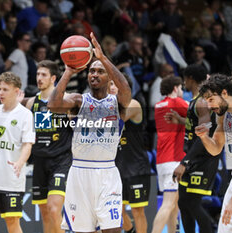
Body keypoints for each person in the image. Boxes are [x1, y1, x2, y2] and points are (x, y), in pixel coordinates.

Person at [48, 32, 132, 233]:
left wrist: (103, 58)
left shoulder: (117, 103)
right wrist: (68, 72)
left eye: (100, 71)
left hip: (107, 173)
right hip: (80, 172)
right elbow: (53, 104)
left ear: (108, 76)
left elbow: (126, 90)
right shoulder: (78, 101)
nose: (94, 74)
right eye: (91, 70)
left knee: (112, 230)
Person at [0, 72, 35, 233]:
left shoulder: (25, 115)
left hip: (11, 180)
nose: (0, 93)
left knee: (12, 222)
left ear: (17, 91)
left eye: (5, 89)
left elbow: (27, 145)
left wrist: (20, 162)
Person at [25, 60, 72, 233]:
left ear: (53, 78)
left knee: (53, 209)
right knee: (45, 213)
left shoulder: (65, 101)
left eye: (43, 74)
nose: (39, 78)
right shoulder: (32, 103)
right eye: (37, 74)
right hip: (40, 161)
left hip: (61, 160)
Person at [173, 65, 220, 233]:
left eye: (185, 79)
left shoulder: (202, 102)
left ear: (190, 79)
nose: (184, 82)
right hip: (193, 157)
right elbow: (195, 127)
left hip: (203, 159)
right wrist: (180, 120)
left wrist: (184, 163)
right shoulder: (195, 101)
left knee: (192, 203)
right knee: (183, 203)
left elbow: (203, 136)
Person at [195, 74, 232, 233]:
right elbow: (216, 149)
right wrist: (204, 137)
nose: (209, 106)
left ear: (225, 93)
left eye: (210, 100)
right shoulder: (223, 115)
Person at [110, 79, 151, 233]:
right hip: (117, 167)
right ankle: (131, 231)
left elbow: (113, 121)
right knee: (116, 209)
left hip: (136, 167)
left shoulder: (133, 104)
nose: (114, 88)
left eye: (118, 85)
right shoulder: (108, 107)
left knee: (137, 211)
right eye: (111, 84)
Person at [152, 76, 188, 233]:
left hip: (161, 160)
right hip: (174, 160)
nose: (182, 91)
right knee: (168, 204)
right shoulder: (177, 103)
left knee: (174, 206)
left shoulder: (158, 105)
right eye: (180, 88)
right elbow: (198, 112)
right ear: (175, 88)